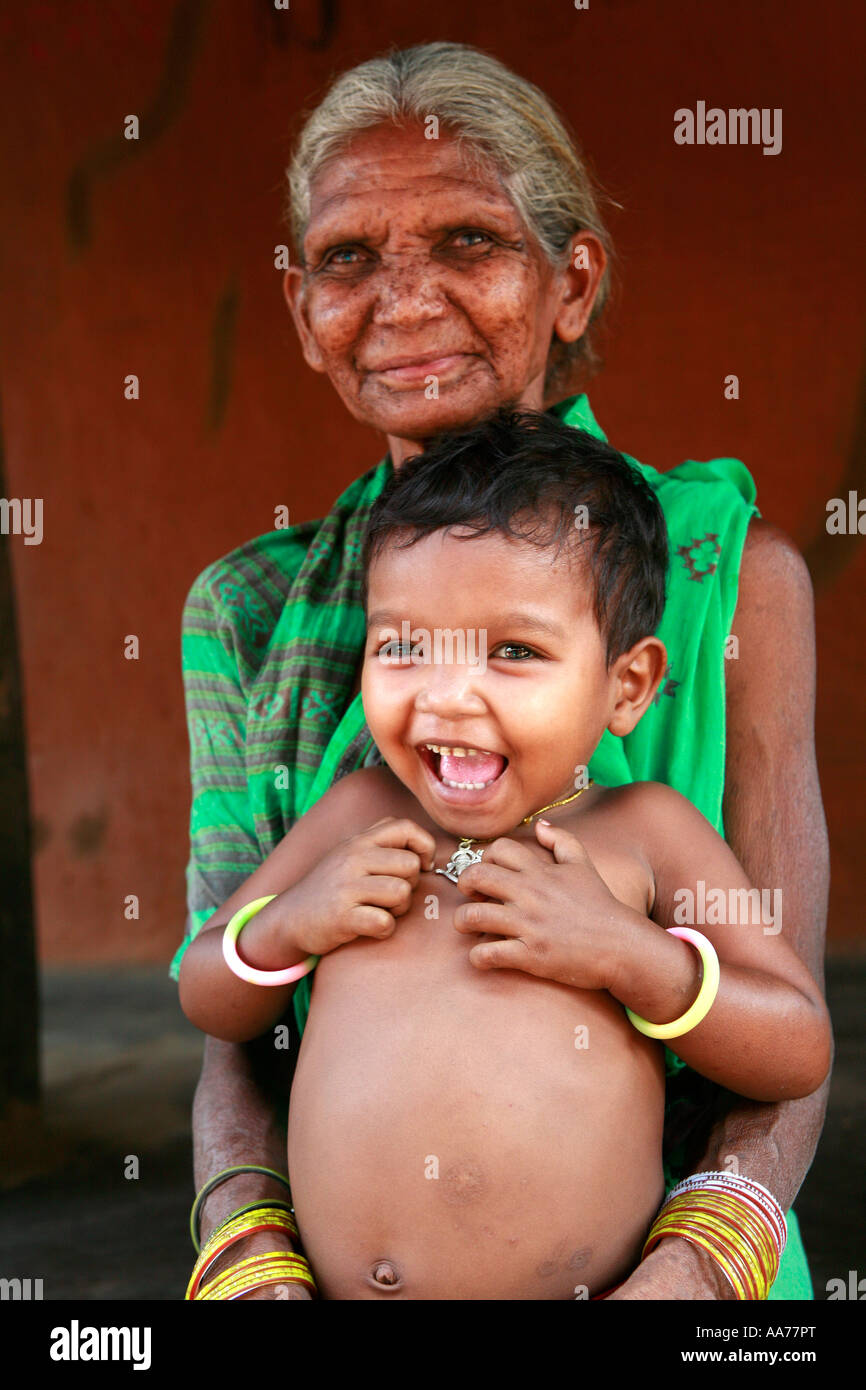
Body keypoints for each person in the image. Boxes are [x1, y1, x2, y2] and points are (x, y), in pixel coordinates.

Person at [171, 42, 830, 1300]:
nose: (403, 300)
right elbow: (231, 1018)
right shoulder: (249, 609)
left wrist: (692, 1277)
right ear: (304, 314)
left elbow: (781, 1032)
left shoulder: (728, 576)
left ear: (570, 281)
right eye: (346, 258)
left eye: (467, 242)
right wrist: (247, 1267)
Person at [178, 413, 831, 1300]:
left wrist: (633, 958)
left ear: (626, 686)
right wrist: (289, 925)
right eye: (403, 646)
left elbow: (796, 1046)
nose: (448, 696)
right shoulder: (357, 813)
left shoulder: (645, 833)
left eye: (514, 651)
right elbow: (206, 992)